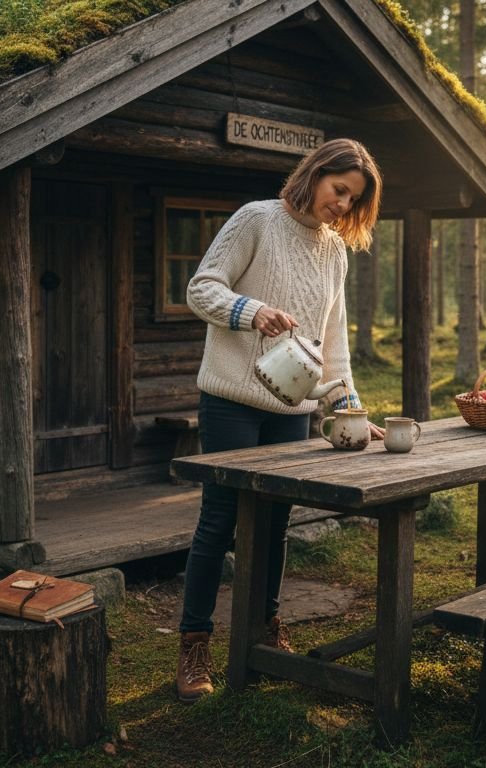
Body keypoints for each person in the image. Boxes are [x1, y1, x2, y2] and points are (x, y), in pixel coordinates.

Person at [175, 138, 384, 702]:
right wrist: (252, 311)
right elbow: (201, 288)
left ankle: (264, 633)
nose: (342, 204)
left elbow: (332, 343)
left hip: (292, 410)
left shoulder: (336, 252)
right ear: (316, 174)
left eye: (353, 199)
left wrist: (349, 412)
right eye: (339, 190)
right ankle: (194, 644)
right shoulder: (256, 220)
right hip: (232, 400)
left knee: (272, 527)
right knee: (219, 524)